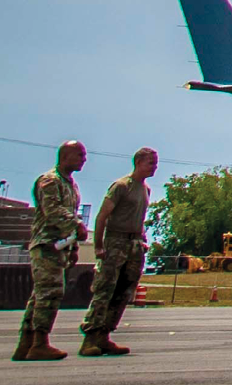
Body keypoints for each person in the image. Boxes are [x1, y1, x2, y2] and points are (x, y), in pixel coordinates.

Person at [78, 148, 156, 357]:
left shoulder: (146, 189)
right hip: (115, 242)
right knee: (105, 290)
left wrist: (142, 240)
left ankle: (105, 335)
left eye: (155, 163)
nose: (154, 167)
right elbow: (102, 217)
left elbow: (139, 219)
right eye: (151, 163)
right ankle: (90, 338)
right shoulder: (121, 186)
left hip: (134, 245)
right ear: (138, 162)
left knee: (124, 293)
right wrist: (99, 246)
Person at [13, 141, 87, 362]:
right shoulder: (50, 181)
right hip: (46, 246)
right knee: (50, 293)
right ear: (65, 156)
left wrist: (73, 248)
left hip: (59, 247)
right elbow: (53, 211)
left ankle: (26, 344)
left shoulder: (70, 185)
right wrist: (76, 225)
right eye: (80, 154)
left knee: (40, 296)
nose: (84, 159)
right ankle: (39, 343)